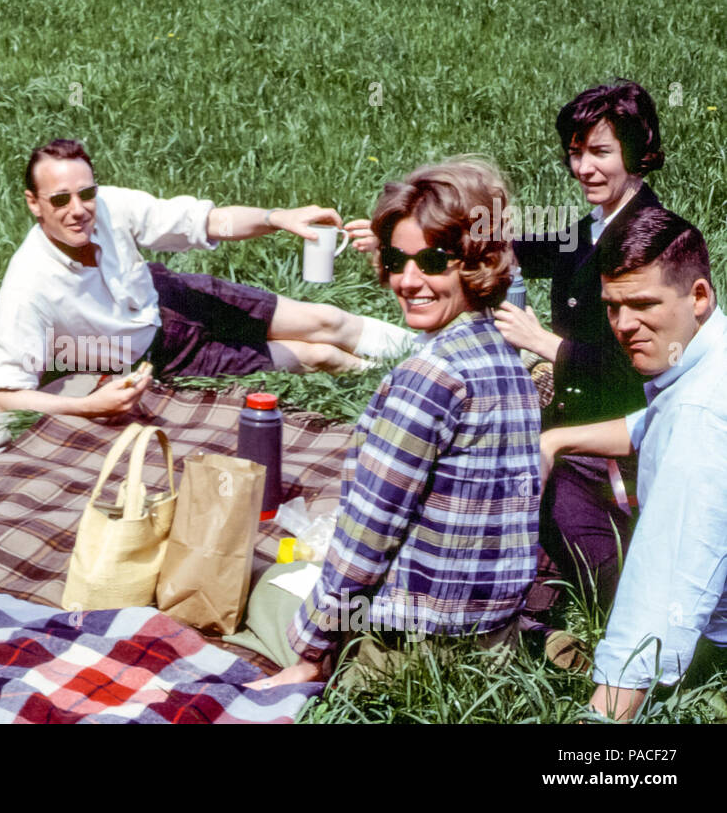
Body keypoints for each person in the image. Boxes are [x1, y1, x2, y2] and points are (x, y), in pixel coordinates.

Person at [251, 158, 542, 688]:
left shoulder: (428, 376)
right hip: (493, 639)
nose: (408, 281)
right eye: (395, 259)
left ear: (474, 264)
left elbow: (369, 533)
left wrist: (312, 650)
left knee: (268, 584)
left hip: (413, 650)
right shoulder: (509, 358)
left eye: (432, 261)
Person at [0, 139, 414, 418]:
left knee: (327, 320)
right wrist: (86, 405)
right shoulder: (27, 287)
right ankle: (395, 387)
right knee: (319, 356)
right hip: (159, 357)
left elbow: (208, 222)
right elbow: (6, 392)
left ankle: (429, 356)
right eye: (60, 199)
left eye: (87, 193)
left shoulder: (112, 206)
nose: (78, 209)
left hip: (174, 296)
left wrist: (278, 218)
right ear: (33, 203)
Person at [539, 207, 727, 721]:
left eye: (643, 304)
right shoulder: (707, 354)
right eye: (612, 306)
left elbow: (664, 581)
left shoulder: (701, 415)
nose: (624, 325)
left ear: (700, 297)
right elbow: (652, 423)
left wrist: (600, 725)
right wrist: (557, 440)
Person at [495, 80, 663, 617]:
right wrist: (434, 239)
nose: (583, 168)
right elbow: (535, 249)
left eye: (600, 152)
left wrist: (542, 343)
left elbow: (636, 371)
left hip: (621, 443)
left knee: (601, 574)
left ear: (637, 152)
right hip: (576, 420)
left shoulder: (648, 239)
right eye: (575, 153)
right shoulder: (599, 224)